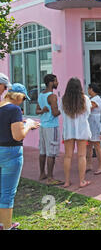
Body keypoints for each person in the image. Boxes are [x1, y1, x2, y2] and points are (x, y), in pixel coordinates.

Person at [0, 84, 39, 230]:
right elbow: (17, 136)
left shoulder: (1, 106)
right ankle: (7, 227)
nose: (23, 102)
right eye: (23, 98)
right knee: (7, 193)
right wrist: (28, 124)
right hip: (11, 153)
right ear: (19, 96)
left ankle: (3, 223)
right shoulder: (14, 109)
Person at [60, 78, 92, 188]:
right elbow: (88, 113)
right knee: (82, 155)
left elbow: (62, 113)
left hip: (68, 130)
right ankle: (82, 181)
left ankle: (67, 181)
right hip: (82, 130)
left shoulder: (64, 99)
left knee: (68, 156)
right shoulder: (85, 99)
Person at [35, 74, 63, 186]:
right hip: (52, 126)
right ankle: (50, 178)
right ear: (51, 82)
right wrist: (63, 108)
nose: (57, 83)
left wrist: (43, 111)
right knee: (51, 153)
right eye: (56, 81)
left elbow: (37, 111)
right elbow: (55, 113)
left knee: (43, 151)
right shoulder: (52, 96)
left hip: (43, 126)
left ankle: (42, 174)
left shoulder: (41, 95)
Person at [86, 83, 101, 175]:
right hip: (90, 123)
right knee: (88, 146)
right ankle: (89, 164)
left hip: (95, 124)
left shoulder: (96, 99)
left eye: (89, 89)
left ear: (92, 89)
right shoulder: (91, 99)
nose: (88, 90)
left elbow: (88, 108)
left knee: (97, 145)